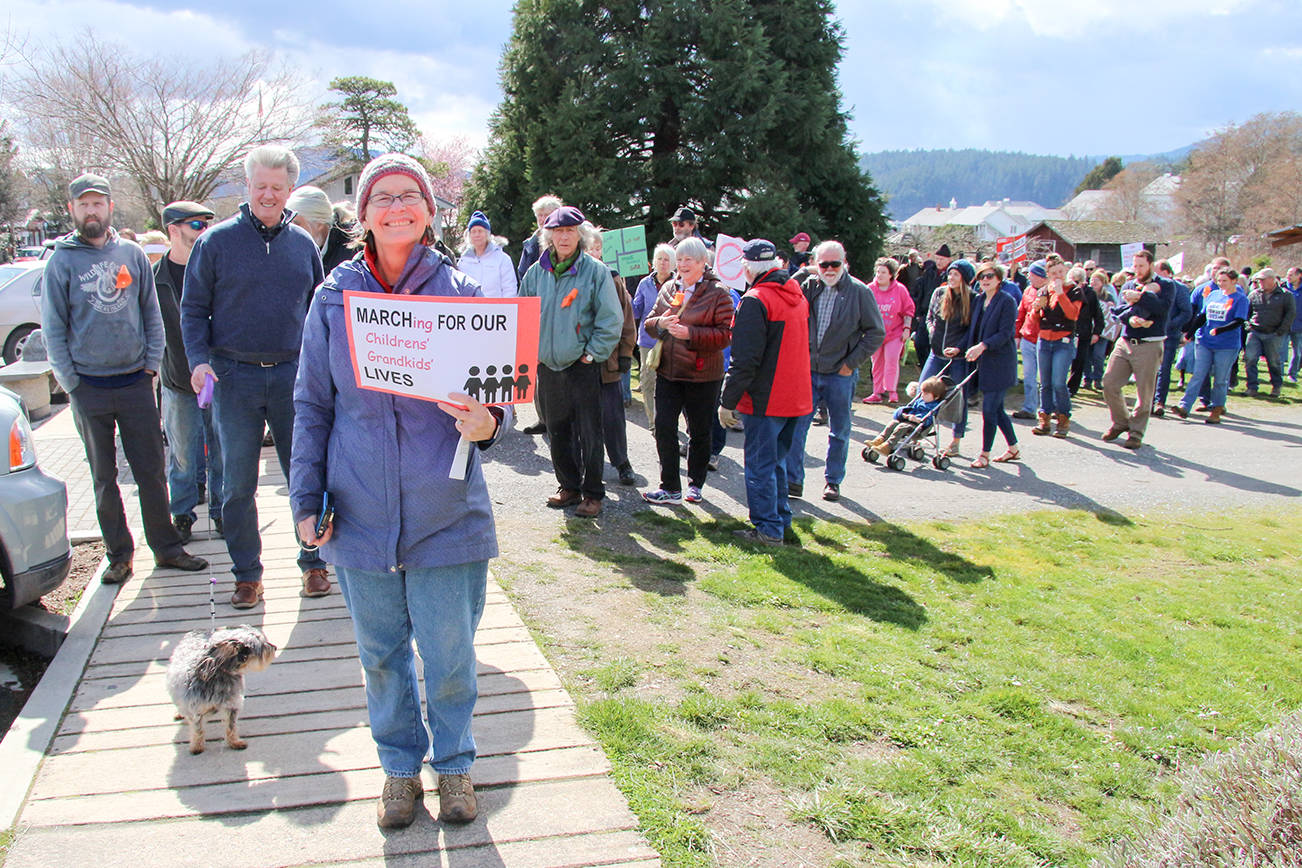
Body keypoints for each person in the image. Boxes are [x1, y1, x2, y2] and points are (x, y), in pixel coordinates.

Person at [290, 152, 511, 830]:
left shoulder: (465, 296)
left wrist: (487, 421)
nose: (395, 207)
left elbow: (494, 401)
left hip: (446, 511)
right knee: (381, 658)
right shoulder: (333, 298)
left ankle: (454, 767)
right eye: (380, 197)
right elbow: (311, 407)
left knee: (449, 657)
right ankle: (397, 769)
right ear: (362, 215)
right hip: (358, 510)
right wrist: (307, 500)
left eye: (407, 195)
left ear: (428, 210)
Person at [181, 145, 330, 607]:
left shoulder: (303, 245)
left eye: (278, 188)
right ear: (248, 186)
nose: (269, 195)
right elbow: (192, 311)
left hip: (293, 377)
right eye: (261, 186)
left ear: (289, 191)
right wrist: (198, 361)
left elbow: (319, 312)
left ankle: (314, 564)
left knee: (305, 475)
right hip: (232, 378)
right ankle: (247, 574)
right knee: (236, 486)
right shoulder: (215, 242)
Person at [41, 173, 207, 584]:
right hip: (88, 386)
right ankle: (119, 554)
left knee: (151, 470)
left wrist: (151, 365)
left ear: (110, 208)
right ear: (73, 210)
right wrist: (71, 383)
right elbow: (53, 328)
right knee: (103, 477)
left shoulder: (131, 255)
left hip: (135, 381)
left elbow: (151, 314)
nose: (91, 210)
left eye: (98, 203)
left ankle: (167, 548)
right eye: (84, 204)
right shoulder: (61, 262)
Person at [518, 205, 623, 517]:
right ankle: (568, 487)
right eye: (557, 231)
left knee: (590, 432)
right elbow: (523, 315)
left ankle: (592, 493)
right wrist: (530, 352)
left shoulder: (595, 272)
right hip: (547, 366)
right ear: (548, 236)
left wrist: (592, 354)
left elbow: (610, 320)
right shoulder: (536, 273)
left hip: (582, 365)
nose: (563, 237)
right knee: (557, 430)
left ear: (581, 235)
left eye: (569, 231)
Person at [718, 239, 811, 545]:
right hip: (796, 396)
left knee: (760, 465)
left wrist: (726, 402)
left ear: (747, 267)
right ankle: (780, 520)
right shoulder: (796, 295)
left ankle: (768, 527)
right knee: (777, 463)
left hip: (767, 398)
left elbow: (744, 360)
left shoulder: (756, 300)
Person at [785, 240, 884, 501]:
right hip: (808, 370)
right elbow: (789, 294)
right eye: (823, 264)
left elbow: (875, 333)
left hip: (840, 374)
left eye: (834, 264)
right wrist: (804, 271)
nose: (829, 269)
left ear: (844, 263)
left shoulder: (860, 292)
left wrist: (850, 364)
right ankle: (793, 481)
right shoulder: (809, 286)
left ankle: (833, 480)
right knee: (797, 427)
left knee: (839, 430)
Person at [639, 237, 734, 505]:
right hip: (669, 371)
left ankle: (695, 484)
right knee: (663, 427)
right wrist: (662, 323)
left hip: (703, 374)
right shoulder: (669, 287)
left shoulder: (719, 293)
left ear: (703, 263)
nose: (682, 265)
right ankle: (669, 486)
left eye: (688, 260)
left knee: (700, 431)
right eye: (679, 260)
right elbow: (648, 323)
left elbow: (725, 336)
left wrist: (691, 333)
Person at [155, 200, 223, 543]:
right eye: (196, 225)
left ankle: (221, 511)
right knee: (182, 455)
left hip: (218, 377)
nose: (203, 232)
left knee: (222, 450)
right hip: (178, 379)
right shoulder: (155, 279)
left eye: (207, 224)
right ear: (173, 230)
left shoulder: (216, 269)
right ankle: (181, 514)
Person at [1101, 250, 1174, 449]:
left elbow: (1162, 309)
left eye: (1141, 266)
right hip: (1125, 341)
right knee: (1109, 383)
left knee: (1144, 392)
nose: (1138, 270)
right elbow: (1122, 312)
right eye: (1135, 266)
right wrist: (1131, 319)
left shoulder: (1166, 285)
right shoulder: (1128, 284)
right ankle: (1121, 421)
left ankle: (1136, 433)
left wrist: (1140, 297)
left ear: (1150, 264)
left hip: (1150, 343)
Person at [584, 223, 638, 487]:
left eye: (596, 248)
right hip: (577, 365)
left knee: (613, 417)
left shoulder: (613, 277)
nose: (591, 253)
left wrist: (626, 353)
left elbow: (626, 320)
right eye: (587, 248)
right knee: (583, 421)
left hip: (607, 363)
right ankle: (588, 468)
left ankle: (622, 462)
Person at [1173, 267, 1249, 423]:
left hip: (1227, 344)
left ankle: (1216, 409)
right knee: (1198, 374)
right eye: (1219, 281)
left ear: (1234, 281)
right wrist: (1190, 333)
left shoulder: (1241, 299)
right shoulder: (1213, 295)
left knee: (1221, 378)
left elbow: (1239, 320)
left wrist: (1221, 329)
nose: (1221, 284)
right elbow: (1203, 315)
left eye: (1225, 281)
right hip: (1205, 341)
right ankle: (1184, 406)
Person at [964, 258, 1020, 468]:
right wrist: (962, 348)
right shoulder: (979, 300)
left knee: (988, 409)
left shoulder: (1007, 301)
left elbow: (1005, 333)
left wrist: (983, 346)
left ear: (999, 279)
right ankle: (1013, 448)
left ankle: (984, 454)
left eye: (989, 276)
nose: (985, 280)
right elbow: (973, 331)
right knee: (996, 409)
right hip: (983, 363)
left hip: (1001, 363)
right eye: (981, 277)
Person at [920, 259, 977, 455]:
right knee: (924, 392)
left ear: (965, 278)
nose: (951, 277)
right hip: (936, 354)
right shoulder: (939, 293)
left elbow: (972, 331)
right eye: (950, 273)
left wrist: (959, 348)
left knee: (956, 399)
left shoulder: (973, 299)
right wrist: (931, 332)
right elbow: (929, 318)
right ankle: (918, 433)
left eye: (956, 274)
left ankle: (955, 441)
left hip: (958, 359)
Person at [1029, 255, 1083, 438]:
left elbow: (1073, 314)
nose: (1058, 275)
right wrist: (1036, 309)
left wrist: (1060, 293)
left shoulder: (1074, 290)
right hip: (1044, 339)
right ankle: (1044, 418)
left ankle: (1063, 418)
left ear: (1065, 270)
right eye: (1053, 273)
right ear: (1048, 275)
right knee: (1045, 383)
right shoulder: (1044, 290)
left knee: (1059, 382)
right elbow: (1035, 319)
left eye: (1060, 271)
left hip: (1063, 340)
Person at [631, 243, 676, 426]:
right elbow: (636, 312)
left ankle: (667, 422)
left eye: (667, 260)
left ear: (673, 263)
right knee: (647, 382)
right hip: (648, 341)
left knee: (667, 385)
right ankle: (654, 424)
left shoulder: (679, 284)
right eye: (659, 259)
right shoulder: (645, 283)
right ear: (653, 262)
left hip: (672, 342)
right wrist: (626, 298)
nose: (663, 263)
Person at [862, 257, 913, 404]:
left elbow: (908, 310)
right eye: (878, 272)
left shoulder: (900, 290)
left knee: (891, 360)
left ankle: (891, 391)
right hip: (875, 333)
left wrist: (906, 329)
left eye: (883, 272)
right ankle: (877, 392)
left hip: (895, 332)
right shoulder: (869, 289)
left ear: (891, 274)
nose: (880, 275)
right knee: (876, 362)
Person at [1243, 267, 1295, 398]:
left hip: (1274, 333)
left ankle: (1276, 386)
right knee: (1250, 359)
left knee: (1274, 361)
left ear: (1272, 279)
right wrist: (1248, 325)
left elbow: (1290, 314)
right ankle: (1252, 386)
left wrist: (1281, 331)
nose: (1260, 283)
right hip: (1255, 331)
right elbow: (1246, 312)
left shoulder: (1285, 295)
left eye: (1263, 280)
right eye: (1259, 280)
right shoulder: (1254, 294)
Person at [868, 376, 949, 456]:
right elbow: (910, 408)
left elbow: (929, 420)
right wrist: (905, 414)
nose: (923, 395)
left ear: (936, 397)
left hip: (918, 427)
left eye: (926, 394)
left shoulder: (934, 407)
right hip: (908, 420)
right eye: (922, 392)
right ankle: (880, 440)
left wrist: (918, 419)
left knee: (901, 427)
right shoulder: (920, 400)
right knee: (893, 423)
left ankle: (888, 446)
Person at [1151, 259, 1192, 416]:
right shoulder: (1152, 287)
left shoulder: (1180, 288)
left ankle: (1159, 401)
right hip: (1151, 334)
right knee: (1149, 368)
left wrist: (1169, 325)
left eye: (1158, 272)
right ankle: (1147, 400)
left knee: (1164, 368)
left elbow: (1186, 312)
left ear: (1167, 272)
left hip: (1169, 335)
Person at [287, 185, 355, 274]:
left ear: (319, 224)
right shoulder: (292, 250)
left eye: (296, 224)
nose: (291, 230)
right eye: (288, 224)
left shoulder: (352, 250)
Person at [1012, 260, 1047, 420]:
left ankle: (1048, 409)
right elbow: (1020, 314)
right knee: (1029, 376)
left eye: (1032, 274)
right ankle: (1030, 408)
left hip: (1045, 339)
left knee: (1047, 378)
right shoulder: (1027, 291)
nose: (1029, 277)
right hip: (1028, 338)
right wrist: (1017, 335)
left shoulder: (1051, 292)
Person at [457, 211, 518, 298]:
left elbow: (509, 289)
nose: (477, 235)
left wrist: (505, 310)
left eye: (480, 231)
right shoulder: (463, 261)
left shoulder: (502, 259)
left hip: (496, 310)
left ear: (487, 234)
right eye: (473, 231)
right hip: (471, 309)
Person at [1067, 267, 1107, 395]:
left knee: (1079, 361)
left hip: (1083, 332)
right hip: (1067, 331)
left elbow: (1098, 315)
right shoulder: (1066, 292)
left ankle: (1072, 388)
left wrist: (1096, 333)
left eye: (1077, 281)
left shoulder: (1090, 294)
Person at [516, 193, 562, 283]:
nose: (543, 219)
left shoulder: (565, 242)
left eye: (547, 215)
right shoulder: (529, 245)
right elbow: (522, 274)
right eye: (540, 215)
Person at [1283, 265, 1302, 383]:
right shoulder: (1283, 288)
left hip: (1299, 326)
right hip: (1282, 325)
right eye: (1287, 274)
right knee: (1278, 352)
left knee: (1297, 352)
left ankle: (1292, 374)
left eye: (1291, 275)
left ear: (1299, 276)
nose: (1288, 277)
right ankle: (1278, 375)